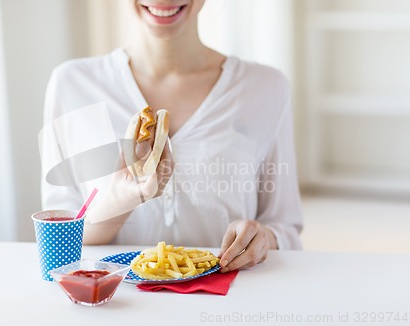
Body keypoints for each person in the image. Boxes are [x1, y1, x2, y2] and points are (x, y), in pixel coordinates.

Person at [41, 0, 303, 273]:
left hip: (227, 301)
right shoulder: (71, 84)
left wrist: (261, 238)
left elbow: (285, 229)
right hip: (116, 307)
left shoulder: (266, 87)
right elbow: (59, 241)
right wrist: (121, 199)